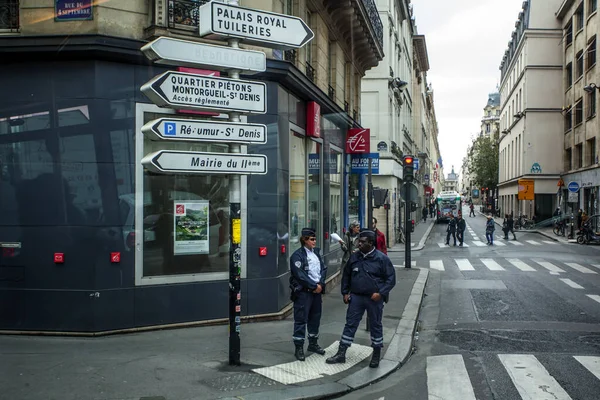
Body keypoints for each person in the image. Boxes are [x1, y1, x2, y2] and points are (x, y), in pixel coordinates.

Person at [326, 230, 396, 368]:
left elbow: (391, 279)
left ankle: (376, 354)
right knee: (350, 324)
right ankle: (341, 353)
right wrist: (345, 293)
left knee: (375, 325)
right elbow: (346, 275)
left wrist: (380, 293)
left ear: (371, 243)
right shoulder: (354, 257)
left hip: (374, 298)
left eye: (363, 241)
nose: (359, 243)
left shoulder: (382, 259)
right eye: (359, 241)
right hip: (356, 297)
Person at [289, 228, 328, 361]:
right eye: (311, 239)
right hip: (304, 293)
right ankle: (299, 347)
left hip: (316, 292)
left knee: (315, 318)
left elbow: (323, 268)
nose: (314, 241)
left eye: (315, 239)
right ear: (304, 240)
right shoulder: (297, 255)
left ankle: (313, 344)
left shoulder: (316, 253)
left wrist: (321, 284)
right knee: (301, 319)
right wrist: (313, 286)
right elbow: (300, 275)